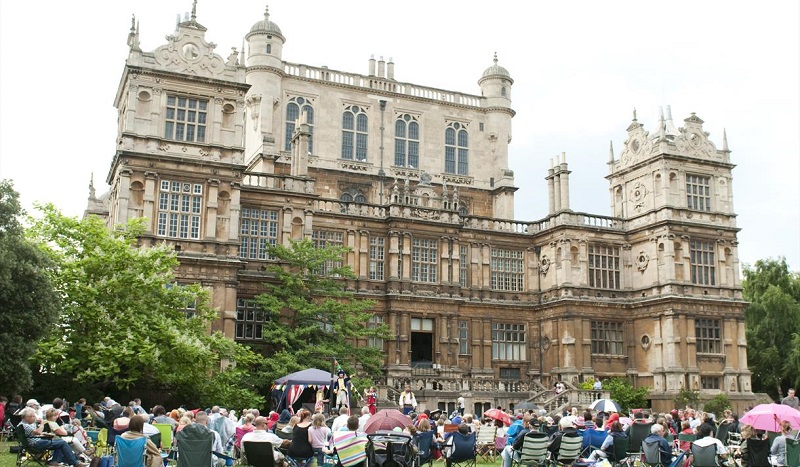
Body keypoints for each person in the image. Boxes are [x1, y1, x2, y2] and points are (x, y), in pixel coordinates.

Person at [17, 407, 88, 467]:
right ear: (27, 417)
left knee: (60, 442)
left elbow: (33, 434)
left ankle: (55, 461)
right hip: (35, 444)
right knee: (62, 443)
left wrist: (44, 434)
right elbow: (38, 432)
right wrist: (41, 423)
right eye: (33, 416)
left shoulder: (22, 424)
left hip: (34, 442)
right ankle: (75, 463)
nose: (35, 418)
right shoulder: (25, 425)